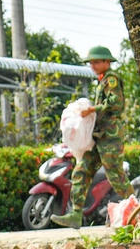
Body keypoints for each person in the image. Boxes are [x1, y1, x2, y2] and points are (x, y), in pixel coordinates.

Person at [51, 45, 132, 228]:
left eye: (96, 62)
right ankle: (75, 214)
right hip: (99, 137)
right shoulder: (102, 81)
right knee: (81, 171)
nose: (93, 65)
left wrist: (92, 109)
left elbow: (116, 103)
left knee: (116, 177)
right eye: (91, 63)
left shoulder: (111, 79)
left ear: (106, 62)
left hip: (110, 137)